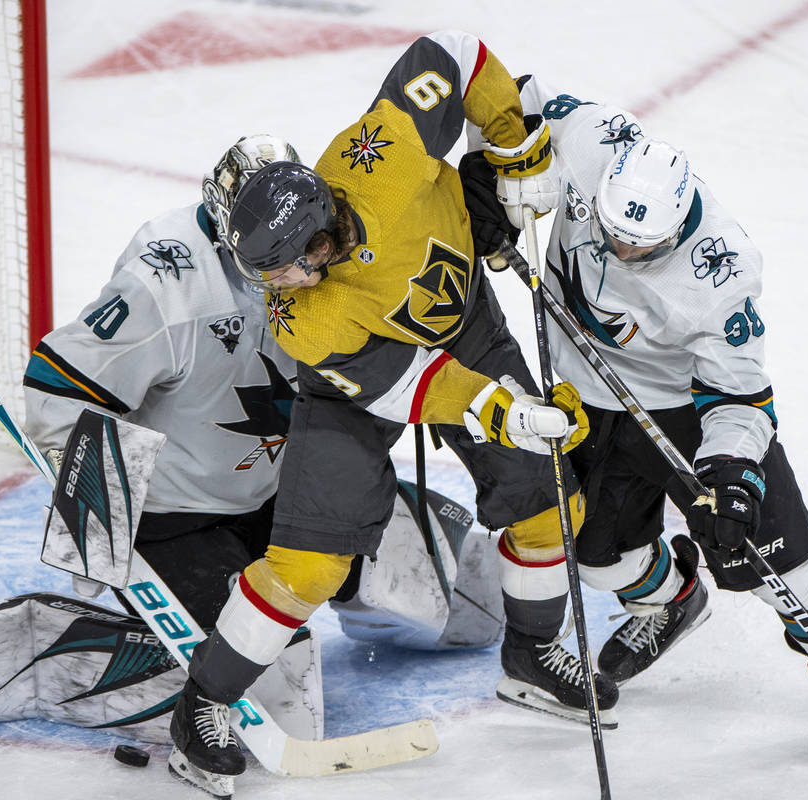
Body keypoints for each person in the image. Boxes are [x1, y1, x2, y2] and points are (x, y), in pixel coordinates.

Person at [0, 135, 502, 746]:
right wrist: (94, 522)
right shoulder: (168, 284)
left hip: (292, 488)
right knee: (279, 697)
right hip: (180, 518)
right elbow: (60, 389)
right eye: (278, 256)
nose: (307, 269)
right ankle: (44, 656)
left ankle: (348, 600)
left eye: (308, 241)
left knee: (471, 599)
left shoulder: (332, 240)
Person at [169, 30, 615, 797]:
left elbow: (452, 52)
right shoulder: (302, 318)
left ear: (318, 240)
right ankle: (202, 703)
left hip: (465, 324)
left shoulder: (382, 152)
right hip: (365, 388)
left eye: (280, 265)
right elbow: (413, 384)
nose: (273, 284)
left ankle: (532, 656)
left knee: (550, 503)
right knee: (310, 566)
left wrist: (517, 150)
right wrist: (500, 409)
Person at [464, 75, 808, 746]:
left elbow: (739, 396)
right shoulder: (591, 138)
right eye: (611, 233)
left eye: (639, 248)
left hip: (681, 407)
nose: (620, 253)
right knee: (589, 551)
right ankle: (673, 599)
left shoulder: (723, 273)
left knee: (774, 552)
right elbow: (502, 94)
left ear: (677, 224)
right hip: (583, 392)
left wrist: (733, 475)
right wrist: (485, 173)